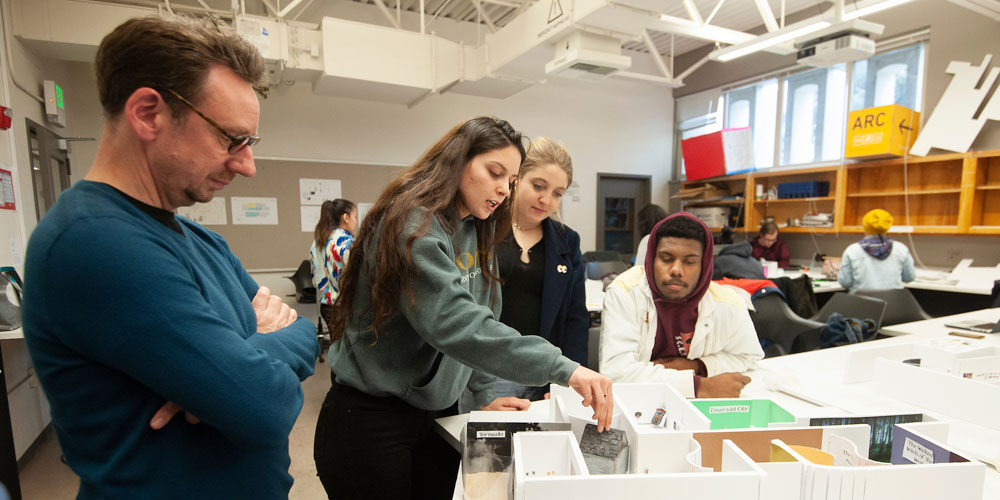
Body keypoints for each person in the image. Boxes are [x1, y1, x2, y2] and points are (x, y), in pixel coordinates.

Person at [21, 16, 319, 499]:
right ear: (147, 113)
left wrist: (256, 352)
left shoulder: (202, 242)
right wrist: (255, 351)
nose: (247, 165)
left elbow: (304, 331)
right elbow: (264, 408)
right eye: (231, 139)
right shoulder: (95, 242)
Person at [313, 117, 613, 500]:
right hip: (372, 417)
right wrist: (565, 368)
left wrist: (483, 394)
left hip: (435, 414)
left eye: (511, 179)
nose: (503, 189)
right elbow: (458, 324)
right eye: (494, 172)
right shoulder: (413, 225)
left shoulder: (476, 227)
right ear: (457, 161)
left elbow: (484, 312)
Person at [600, 212, 763, 398]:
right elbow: (615, 372)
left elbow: (749, 357)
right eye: (666, 259)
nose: (676, 270)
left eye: (690, 262)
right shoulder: (625, 293)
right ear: (651, 259)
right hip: (637, 403)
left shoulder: (729, 303)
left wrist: (699, 366)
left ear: (705, 265)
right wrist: (697, 386)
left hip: (702, 410)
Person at [490, 137, 589, 401]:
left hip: (544, 370)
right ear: (517, 178)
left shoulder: (567, 241)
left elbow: (575, 318)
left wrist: (568, 378)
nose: (546, 199)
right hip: (490, 369)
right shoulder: (484, 228)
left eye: (558, 193)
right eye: (538, 186)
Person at [838, 209, 916, 293]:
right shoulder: (901, 249)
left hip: (861, 303)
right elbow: (909, 278)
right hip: (893, 304)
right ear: (888, 226)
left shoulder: (852, 250)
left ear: (865, 226)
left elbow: (845, 282)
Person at [310, 198, 357, 330]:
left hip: (326, 306)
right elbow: (357, 277)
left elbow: (315, 280)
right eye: (355, 217)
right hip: (346, 307)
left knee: (335, 346)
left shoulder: (318, 241)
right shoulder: (347, 243)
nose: (356, 222)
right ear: (346, 217)